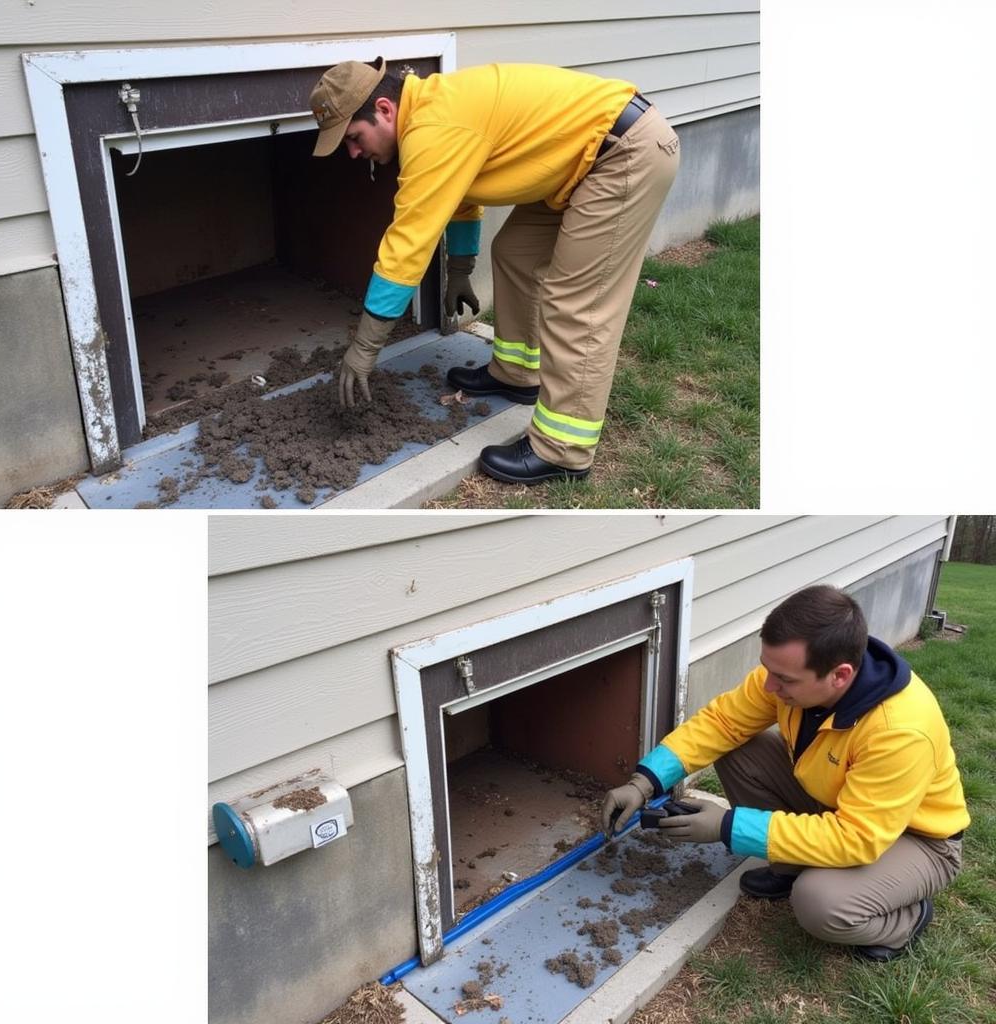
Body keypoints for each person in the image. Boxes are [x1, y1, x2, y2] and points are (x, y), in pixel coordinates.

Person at [308, 58, 680, 484]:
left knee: (578, 301)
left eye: (353, 137)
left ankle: (564, 450)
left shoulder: (433, 128)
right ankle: (518, 373)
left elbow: (405, 246)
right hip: (581, 160)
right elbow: (462, 196)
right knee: (515, 252)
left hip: (621, 154)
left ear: (386, 110)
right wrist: (461, 269)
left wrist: (364, 347)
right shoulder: (434, 112)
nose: (354, 153)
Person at [601, 585, 968, 961]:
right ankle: (791, 866)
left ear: (839, 675)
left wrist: (728, 827)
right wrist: (644, 781)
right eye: (768, 670)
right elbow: (723, 723)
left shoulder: (900, 730)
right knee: (737, 748)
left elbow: (858, 838)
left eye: (785, 680)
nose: (770, 686)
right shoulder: (790, 678)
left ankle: (905, 919)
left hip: (917, 840)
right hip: (841, 806)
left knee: (819, 902)